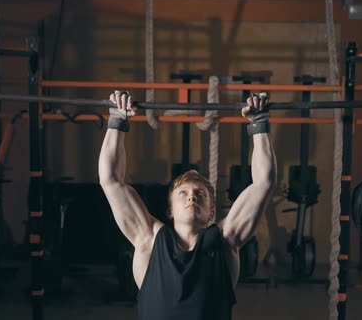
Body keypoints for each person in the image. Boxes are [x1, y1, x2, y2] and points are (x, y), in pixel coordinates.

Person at [99, 90, 277, 320]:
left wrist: (259, 123)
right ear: (170, 210)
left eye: (200, 194)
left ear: (211, 211)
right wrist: (116, 120)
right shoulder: (149, 241)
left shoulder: (224, 241)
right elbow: (111, 180)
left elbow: (264, 183)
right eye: (183, 193)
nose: (192, 197)